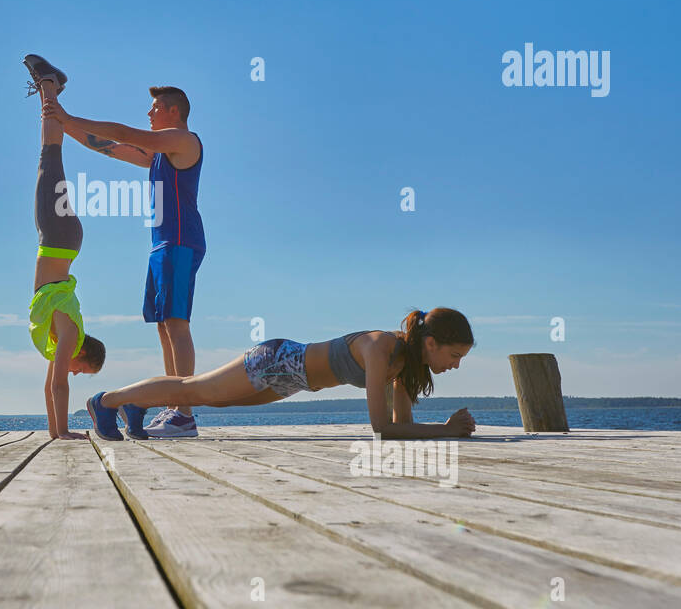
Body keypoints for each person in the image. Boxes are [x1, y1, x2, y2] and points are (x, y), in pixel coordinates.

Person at [42, 86, 205, 440]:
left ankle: (185, 412)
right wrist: (62, 124)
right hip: (162, 245)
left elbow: (123, 133)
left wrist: (67, 117)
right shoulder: (158, 155)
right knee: (164, 327)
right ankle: (175, 406)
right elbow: (111, 148)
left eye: (155, 108)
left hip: (180, 243)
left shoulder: (183, 140)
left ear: (173, 111)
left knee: (176, 324)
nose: (149, 114)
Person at [85, 308, 476, 441]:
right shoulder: (381, 348)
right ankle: (108, 401)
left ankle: (134, 406)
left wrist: (442, 428)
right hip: (279, 360)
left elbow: (402, 425)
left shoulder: (405, 366)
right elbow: (381, 428)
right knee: (194, 390)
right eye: (455, 354)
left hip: (294, 382)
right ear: (431, 343)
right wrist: (445, 428)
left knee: (210, 399)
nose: (456, 365)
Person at [23, 53, 105, 440]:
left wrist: (56, 433)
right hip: (59, 237)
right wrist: (63, 434)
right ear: (84, 353)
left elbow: (48, 385)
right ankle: (49, 84)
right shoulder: (70, 333)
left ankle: (50, 86)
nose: (73, 371)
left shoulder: (66, 336)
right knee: (49, 158)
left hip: (59, 240)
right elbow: (59, 386)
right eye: (81, 369)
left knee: (49, 159)